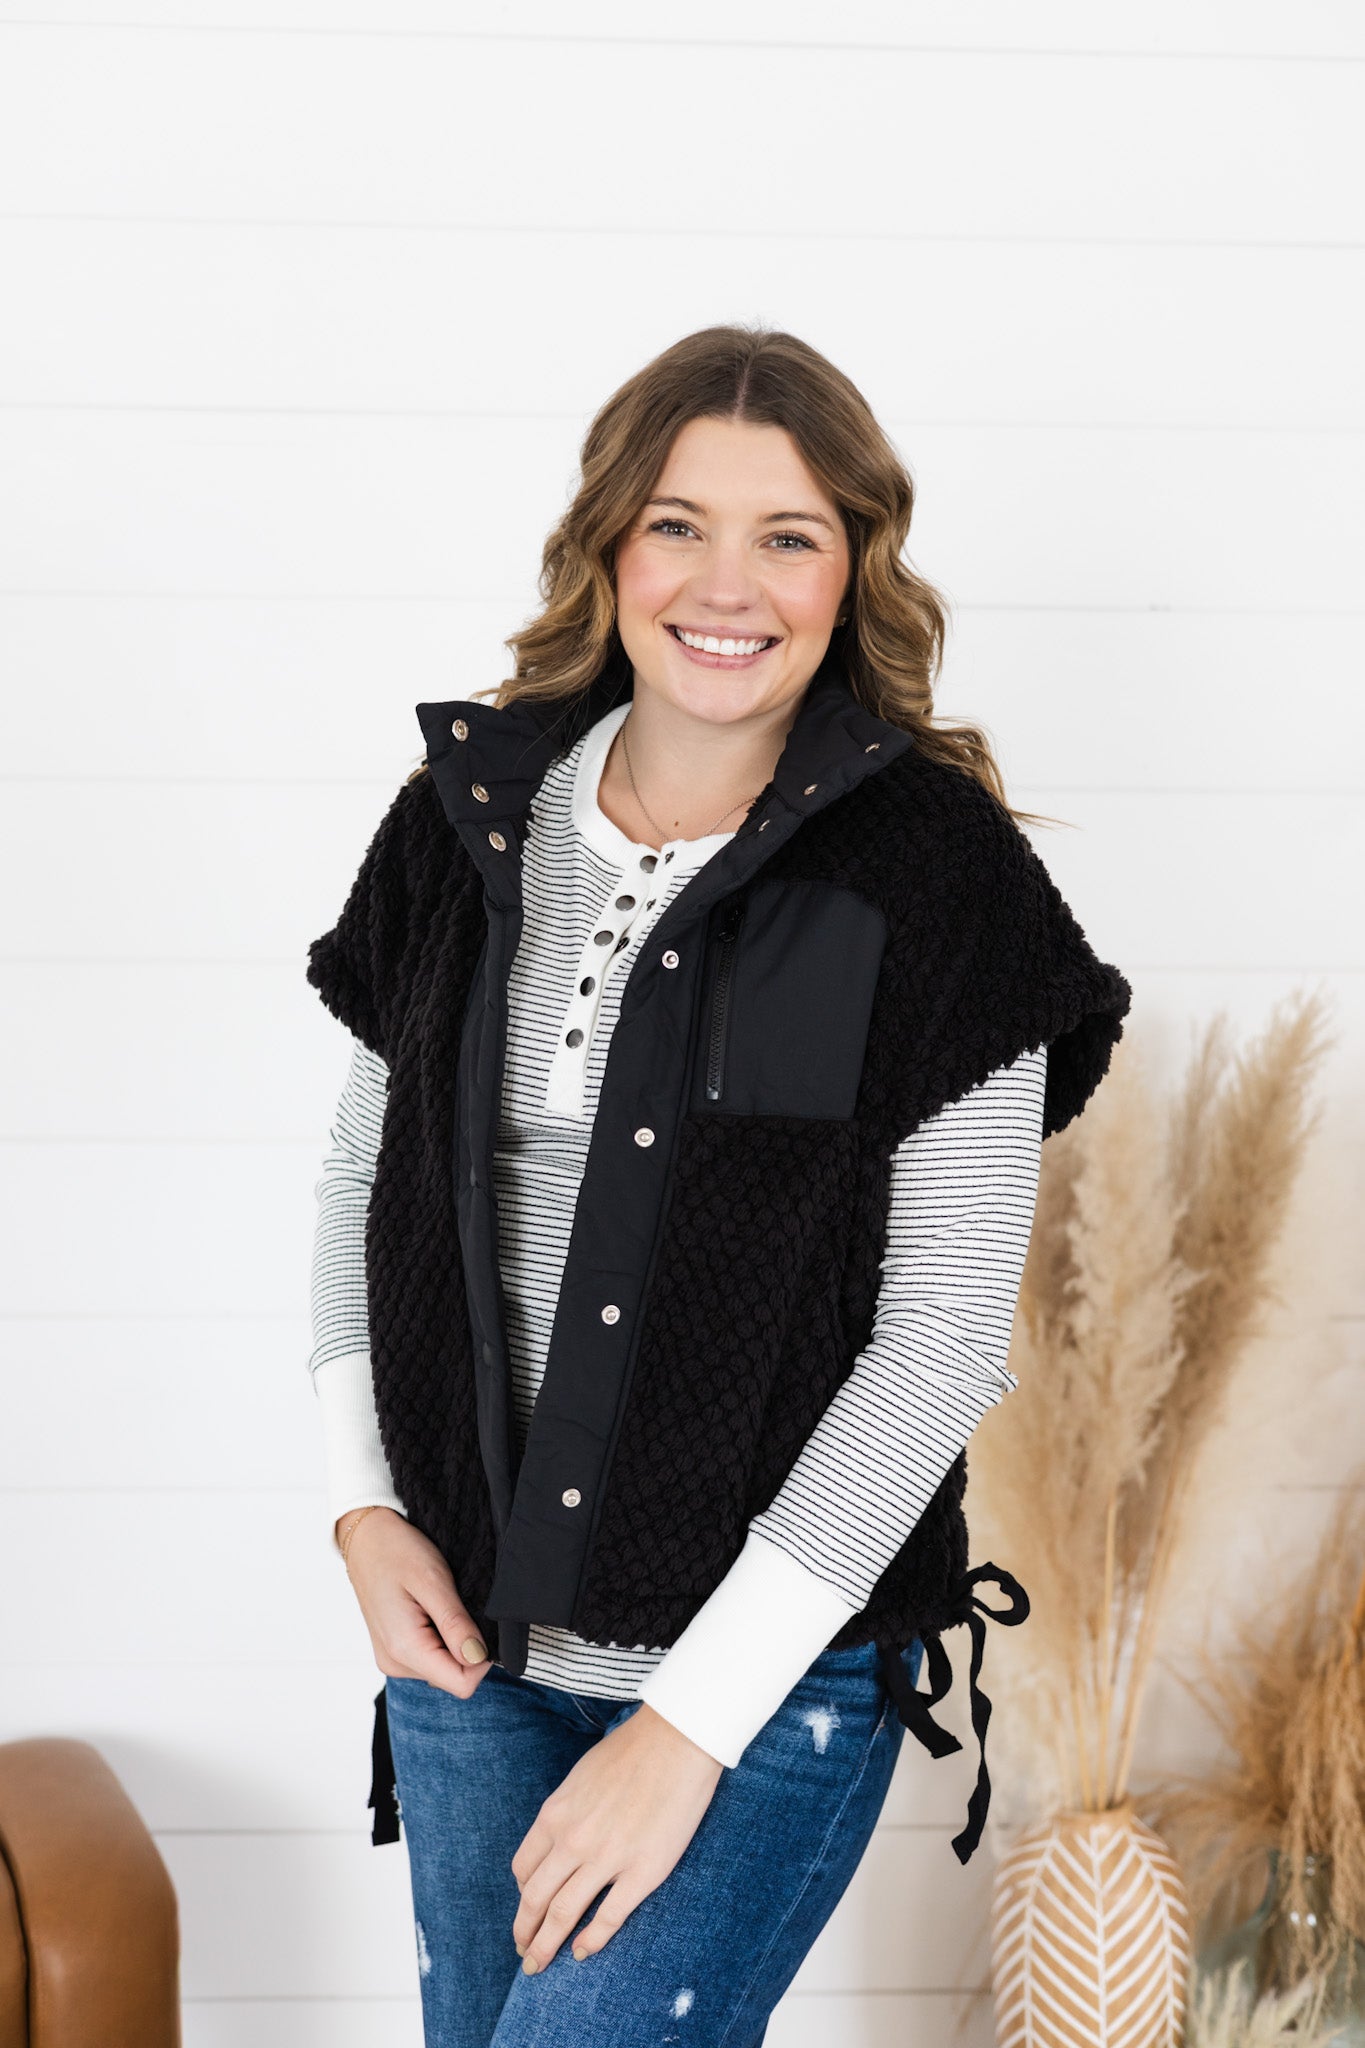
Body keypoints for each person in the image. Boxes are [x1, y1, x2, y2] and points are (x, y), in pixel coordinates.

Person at [304, 324, 1131, 2047]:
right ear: (608, 543)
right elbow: (360, 1185)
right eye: (677, 524)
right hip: (464, 1649)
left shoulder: (941, 877)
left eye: (788, 535)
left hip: (758, 1684)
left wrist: (685, 1728)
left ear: (853, 570)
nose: (725, 585)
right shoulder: (461, 820)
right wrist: (362, 1505)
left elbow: (937, 1345)